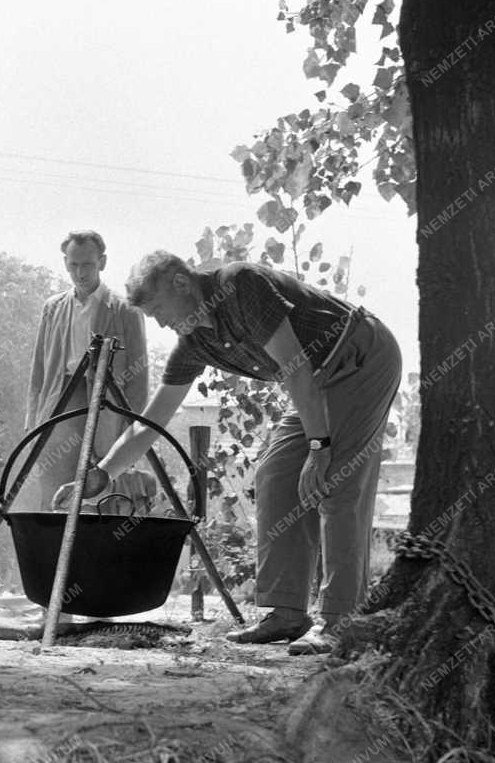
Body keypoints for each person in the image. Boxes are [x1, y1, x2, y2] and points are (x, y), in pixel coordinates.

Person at [54, 253, 401, 655]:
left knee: (335, 480)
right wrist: (100, 474)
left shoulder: (241, 286)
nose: (161, 322)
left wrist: (319, 447)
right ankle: (287, 612)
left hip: (359, 357)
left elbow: (295, 366)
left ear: (182, 284)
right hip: (314, 382)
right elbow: (151, 420)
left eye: (159, 309)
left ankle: (343, 622)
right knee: (275, 475)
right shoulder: (193, 342)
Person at [23, 231, 149, 512]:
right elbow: (40, 371)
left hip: (107, 403)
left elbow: (139, 376)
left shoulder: (125, 309)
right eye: (74, 265)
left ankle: (98, 548)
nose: (80, 273)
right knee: (53, 482)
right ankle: (52, 547)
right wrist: (33, 418)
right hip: (61, 399)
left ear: (102, 263)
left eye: (88, 265)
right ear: (66, 263)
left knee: (100, 482)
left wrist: (133, 426)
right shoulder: (52, 308)